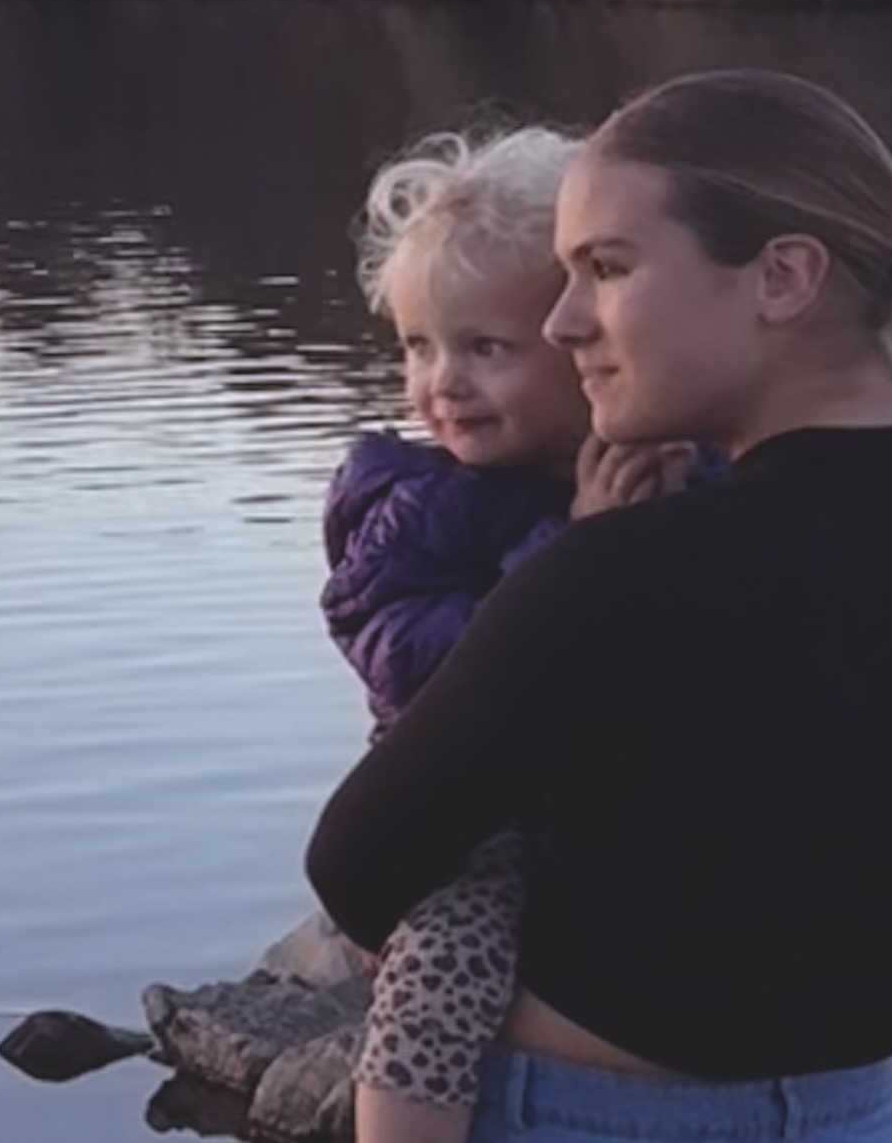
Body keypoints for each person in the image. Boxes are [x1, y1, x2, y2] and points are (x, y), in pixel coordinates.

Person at [309, 67, 892, 1143]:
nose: (562, 322)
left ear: (782, 276)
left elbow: (356, 865)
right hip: (860, 1106)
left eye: (606, 267)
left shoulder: (621, 572)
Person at [318, 122, 696, 1143]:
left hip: (640, 797)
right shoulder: (411, 503)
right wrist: (575, 550)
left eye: (485, 347)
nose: (441, 380)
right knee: (445, 961)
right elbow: (418, 667)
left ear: (586, 340)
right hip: (474, 806)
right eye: (417, 345)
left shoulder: (675, 457)